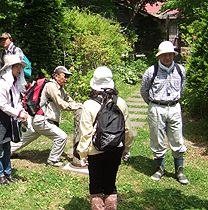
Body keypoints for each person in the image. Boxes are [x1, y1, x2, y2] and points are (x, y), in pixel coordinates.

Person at [77, 66, 134, 210]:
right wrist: (125, 149)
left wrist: (83, 154)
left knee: (95, 186)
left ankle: (97, 205)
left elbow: (85, 133)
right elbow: (128, 130)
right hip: (115, 149)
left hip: (95, 151)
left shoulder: (88, 105)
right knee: (110, 185)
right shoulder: (120, 102)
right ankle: (111, 205)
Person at [10, 66, 83, 167]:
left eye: (67, 77)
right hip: (43, 120)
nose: (66, 79)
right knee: (61, 137)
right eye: (64, 76)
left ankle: (8, 151)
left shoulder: (60, 88)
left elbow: (68, 99)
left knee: (25, 139)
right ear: (56, 76)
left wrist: (76, 105)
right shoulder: (51, 86)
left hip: (40, 120)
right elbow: (60, 103)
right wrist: (73, 107)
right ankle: (53, 160)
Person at [140, 41, 188, 185]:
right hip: (156, 108)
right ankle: (159, 168)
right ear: (159, 56)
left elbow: (182, 88)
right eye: (164, 55)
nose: (167, 57)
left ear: (174, 55)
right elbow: (144, 91)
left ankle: (179, 170)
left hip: (174, 107)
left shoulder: (180, 70)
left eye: (170, 54)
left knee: (177, 138)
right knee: (157, 139)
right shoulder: (151, 71)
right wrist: (154, 105)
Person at [0, 55, 29, 185]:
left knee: (6, 147)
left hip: (9, 117)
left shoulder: (15, 84)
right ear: (10, 68)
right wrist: (18, 113)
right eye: (17, 67)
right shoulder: (2, 84)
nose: (19, 70)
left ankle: (7, 172)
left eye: (20, 67)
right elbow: (3, 105)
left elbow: (16, 102)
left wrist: (21, 111)